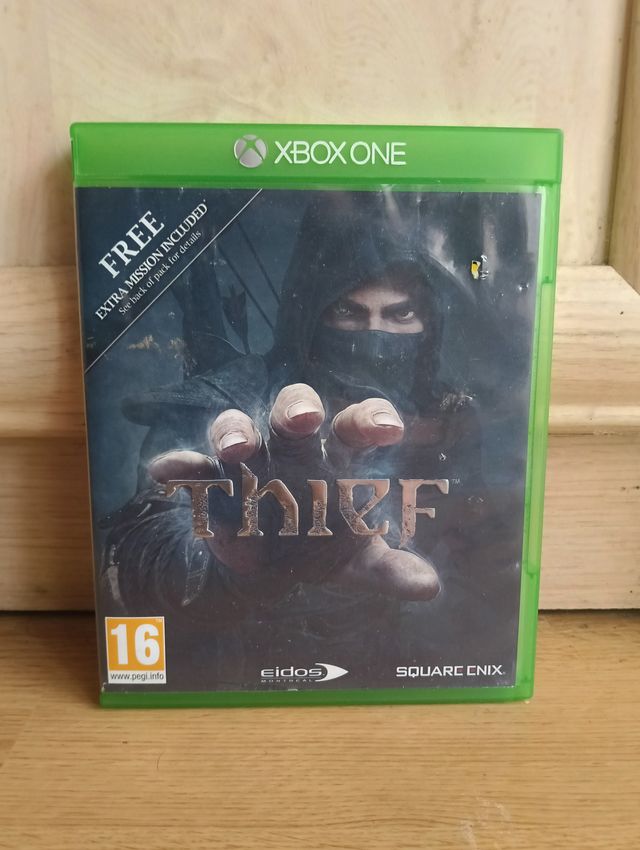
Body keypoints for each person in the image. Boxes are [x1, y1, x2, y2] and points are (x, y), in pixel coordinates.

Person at [102, 190, 512, 688]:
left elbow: (480, 556)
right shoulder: (226, 406)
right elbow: (138, 552)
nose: (374, 336)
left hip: (386, 678)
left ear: (428, 321)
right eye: (349, 312)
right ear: (312, 314)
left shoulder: (450, 417)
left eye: (400, 314)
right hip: (241, 680)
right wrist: (228, 569)